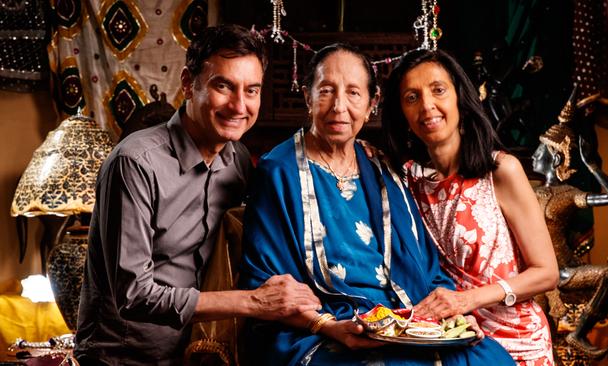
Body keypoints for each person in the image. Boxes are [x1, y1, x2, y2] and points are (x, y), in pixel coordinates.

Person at [239, 43, 515, 366]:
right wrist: (327, 325)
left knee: (487, 358)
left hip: (402, 320)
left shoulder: (381, 167)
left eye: (354, 93)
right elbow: (264, 284)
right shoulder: (279, 170)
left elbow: (425, 265)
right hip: (322, 328)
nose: (339, 107)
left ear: (372, 103)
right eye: (326, 91)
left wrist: (451, 315)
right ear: (307, 97)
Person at [74, 24, 321, 365]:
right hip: (122, 357)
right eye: (224, 86)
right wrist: (252, 302)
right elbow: (132, 294)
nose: (239, 105)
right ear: (189, 83)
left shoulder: (237, 162)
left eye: (251, 90)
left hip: (197, 353)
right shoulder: (135, 163)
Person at [381, 48, 559, 366]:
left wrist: (465, 299)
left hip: (518, 342)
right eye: (412, 97)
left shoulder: (501, 171)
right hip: (450, 341)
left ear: (459, 98)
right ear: (403, 114)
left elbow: (546, 273)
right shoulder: (407, 182)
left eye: (438, 90)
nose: (427, 106)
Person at [531, 91, 608, 359]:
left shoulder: (569, 194)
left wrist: (591, 166)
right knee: (543, 336)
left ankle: (579, 333)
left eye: (540, 150)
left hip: (564, 270)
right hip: (537, 274)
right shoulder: (528, 192)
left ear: (555, 157)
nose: (535, 155)